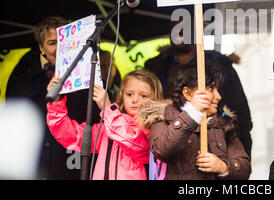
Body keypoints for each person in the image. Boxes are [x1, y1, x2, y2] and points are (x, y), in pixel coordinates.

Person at [5, 16, 101, 180]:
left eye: (63, 42)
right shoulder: (23, 79)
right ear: (41, 47)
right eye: (52, 43)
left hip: (72, 163)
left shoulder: (90, 77)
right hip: (34, 163)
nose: (59, 49)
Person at [144, 17, 253, 158]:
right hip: (170, 153)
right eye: (175, 28)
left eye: (185, 28)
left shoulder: (220, 65)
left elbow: (240, 115)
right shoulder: (156, 67)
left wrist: (236, 163)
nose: (180, 32)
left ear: (196, 32)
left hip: (213, 152)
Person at [137, 63, 251, 180]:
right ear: (187, 93)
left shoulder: (223, 123)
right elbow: (161, 150)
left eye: (217, 89)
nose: (218, 96)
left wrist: (223, 167)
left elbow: (245, 167)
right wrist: (192, 113)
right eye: (211, 89)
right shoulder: (164, 117)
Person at [46, 69, 163, 180]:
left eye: (143, 96)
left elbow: (134, 144)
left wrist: (108, 109)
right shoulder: (107, 126)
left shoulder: (154, 128)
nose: (135, 100)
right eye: (129, 94)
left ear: (155, 99)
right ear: (121, 95)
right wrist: (56, 103)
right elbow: (72, 135)